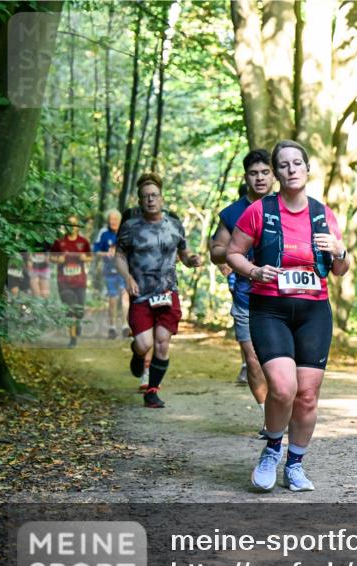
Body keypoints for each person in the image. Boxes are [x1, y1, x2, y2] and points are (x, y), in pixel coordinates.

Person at [226, 140, 350, 492]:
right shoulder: (259, 211)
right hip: (270, 309)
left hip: (314, 311)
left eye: (298, 163)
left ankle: (295, 465)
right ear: (277, 172)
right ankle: (271, 450)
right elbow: (233, 253)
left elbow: (340, 268)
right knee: (282, 389)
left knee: (307, 395)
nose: (292, 169)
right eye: (284, 164)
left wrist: (341, 250)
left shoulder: (323, 215)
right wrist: (253, 271)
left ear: (308, 169)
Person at [116, 173, 203, 408]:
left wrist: (191, 259)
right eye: (145, 196)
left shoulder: (174, 224)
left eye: (154, 195)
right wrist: (127, 277)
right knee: (144, 344)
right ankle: (137, 354)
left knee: (162, 342)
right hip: (141, 293)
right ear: (139, 200)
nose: (150, 200)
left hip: (167, 291)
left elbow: (183, 252)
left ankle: (152, 391)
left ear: (162, 199)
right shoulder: (130, 226)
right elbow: (120, 255)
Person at [210, 150, 273, 418]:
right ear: (245, 177)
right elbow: (216, 251)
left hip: (283, 298)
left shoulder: (288, 206)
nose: (259, 178)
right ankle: (267, 414)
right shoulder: (233, 213)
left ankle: (280, 409)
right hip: (246, 297)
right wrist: (236, 252)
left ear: (274, 175)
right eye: (253, 173)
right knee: (254, 360)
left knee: (281, 362)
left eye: (265, 172)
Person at [50, 216, 92, 347]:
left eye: (74, 224)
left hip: (80, 281)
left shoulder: (83, 241)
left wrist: (85, 258)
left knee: (80, 310)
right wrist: (58, 260)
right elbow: (51, 256)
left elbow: (90, 257)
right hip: (64, 281)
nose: (71, 227)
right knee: (70, 309)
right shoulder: (59, 242)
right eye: (69, 224)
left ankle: (78, 324)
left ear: (77, 226)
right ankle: (72, 338)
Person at [94, 209, 128, 339]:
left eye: (115, 220)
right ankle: (112, 327)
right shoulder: (103, 233)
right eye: (111, 219)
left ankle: (125, 326)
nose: (113, 222)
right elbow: (96, 251)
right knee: (113, 299)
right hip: (109, 271)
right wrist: (107, 254)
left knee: (125, 298)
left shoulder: (127, 232)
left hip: (124, 271)